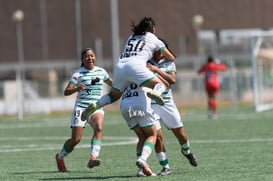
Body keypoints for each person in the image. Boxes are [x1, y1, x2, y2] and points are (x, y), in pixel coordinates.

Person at [81, 16, 175, 121]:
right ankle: (156, 93)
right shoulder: (153, 38)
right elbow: (170, 57)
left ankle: (97, 104)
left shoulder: (131, 37)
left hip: (120, 66)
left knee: (114, 95)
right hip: (136, 66)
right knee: (162, 85)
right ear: (153, 29)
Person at [55, 48, 112, 172]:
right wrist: (76, 89)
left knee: (99, 128)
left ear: (95, 57)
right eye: (86, 56)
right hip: (81, 108)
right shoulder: (78, 74)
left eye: (91, 56)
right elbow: (66, 91)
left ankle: (93, 157)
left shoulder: (101, 72)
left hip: (96, 107)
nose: (90, 58)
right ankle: (60, 157)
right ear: (82, 59)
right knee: (76, 139)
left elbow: (113, 84)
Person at [147, 48, 198, 175]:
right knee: (157, 137)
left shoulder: (168, 63)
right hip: (150, 104)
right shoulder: (145, 62)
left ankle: (186, 152)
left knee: (181, 134)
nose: (158, 52)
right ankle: (165, 167)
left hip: (166, 103)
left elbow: (172, 80)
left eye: (160, 49)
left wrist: (156, 70)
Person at [120, 83, 162, 177]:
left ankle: (141, 170)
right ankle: (142, 159)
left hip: (125, 106)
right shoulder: (144, 73)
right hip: (140, 105)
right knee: (152, 135)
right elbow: (159, 83)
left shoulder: (126, 75)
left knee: (142, 137)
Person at [197, 55, 227, 119]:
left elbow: (199, 72)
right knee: (214, 98)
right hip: (215, 84)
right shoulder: (215, 65)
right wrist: (219, 64)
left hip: (208, 84)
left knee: (209, 98)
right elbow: (224, 68)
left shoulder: (206, 66)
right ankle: (214, 113)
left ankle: (209, 111)